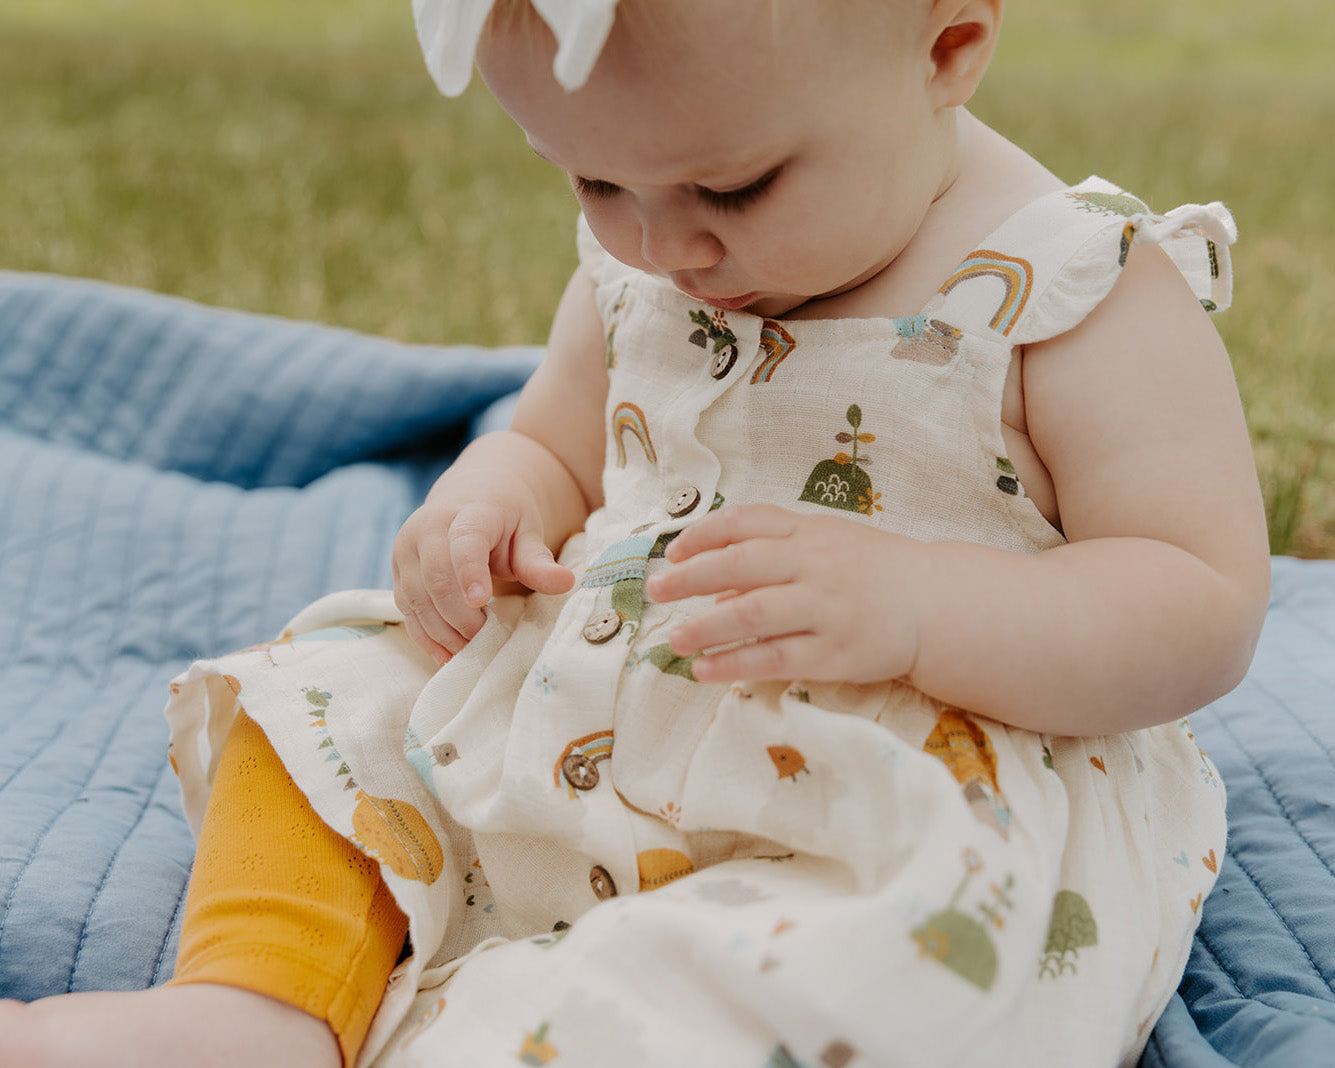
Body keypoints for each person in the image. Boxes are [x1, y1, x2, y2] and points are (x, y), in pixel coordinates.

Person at [2, 0, 1271, 1065]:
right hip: (598, 704)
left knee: (874, 957)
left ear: (946, 44)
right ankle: (257, 1004)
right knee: (332, 696)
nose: (667, 244)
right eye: (596, 179)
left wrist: (925, 607)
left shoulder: (1075, 289)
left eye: (733, 185)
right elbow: (559, 442)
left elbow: (1198, 596)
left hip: (896, 776)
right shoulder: (649, 262)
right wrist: (491, 495)